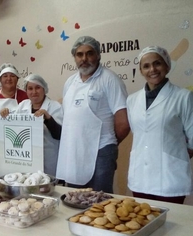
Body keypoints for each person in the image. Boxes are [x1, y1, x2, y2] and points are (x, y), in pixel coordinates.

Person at [56, 36, 130, 193]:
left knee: (99, 201)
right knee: (75, 198)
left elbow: (123, 123)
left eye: (89, 53)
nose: (84, 59)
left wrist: (108, 145)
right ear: (75, 57)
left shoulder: (110, 80)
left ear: (98, 55)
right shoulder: (70, 82)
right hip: (74, 151)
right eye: (79, 54)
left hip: (101, 151)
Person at [127, 46, 193, 204]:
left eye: (157, 63)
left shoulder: (183, 97)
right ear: (141, 71)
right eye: (146, 66)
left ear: (167, 66)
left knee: (171, 225)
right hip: (140, 178)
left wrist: (174, 155)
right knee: (142, 223)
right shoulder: (132, 100)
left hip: (170, 178)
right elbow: (140, 133)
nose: (152, 69)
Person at [0, 74, 63, 176]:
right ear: (26, 91)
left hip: (48, 159)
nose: (34, 92)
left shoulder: (55, 107)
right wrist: (5, 114)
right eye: (30, 88)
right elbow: (14, 126)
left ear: (44, 89)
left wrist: (48, 118)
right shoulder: (23, 105)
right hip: (27, 160)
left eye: (37, 87)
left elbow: (59, 135)